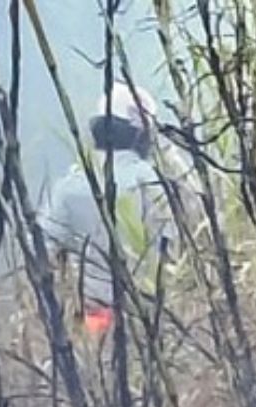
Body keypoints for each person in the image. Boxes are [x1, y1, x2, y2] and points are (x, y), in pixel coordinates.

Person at [39, 82, 188, 336]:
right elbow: (193, 220)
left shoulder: (68, 187)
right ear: (141, 134)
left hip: (92, 318)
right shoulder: (150, 181)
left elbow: (43, 253)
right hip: (150, 312)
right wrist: (168, 149)